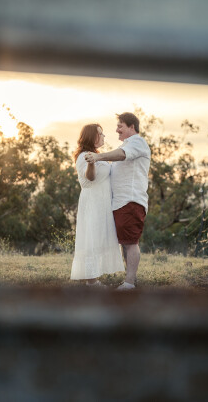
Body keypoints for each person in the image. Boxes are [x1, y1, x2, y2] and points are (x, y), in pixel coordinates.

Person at [85, 112, 151, 290]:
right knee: (125, 241)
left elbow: (122, 155)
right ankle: (130, 279)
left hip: (131, 201)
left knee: (130, 242)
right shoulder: (127, 144)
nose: (116, 130)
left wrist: (98, 157)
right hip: (121, 203)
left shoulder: (137, 142)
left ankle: (129, 283)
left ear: (132, 127)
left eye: (120, 126)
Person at [70, 124, 125, 285]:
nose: (103, 136)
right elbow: (91, 177)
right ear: (91, 136)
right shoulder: (84, 156)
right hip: (92, 203)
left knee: (99, 238)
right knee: (91, 239)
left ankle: (94, 278)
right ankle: (92, 282)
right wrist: (92, 163)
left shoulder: (96, 155)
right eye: (100, 133)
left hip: (102, 203)